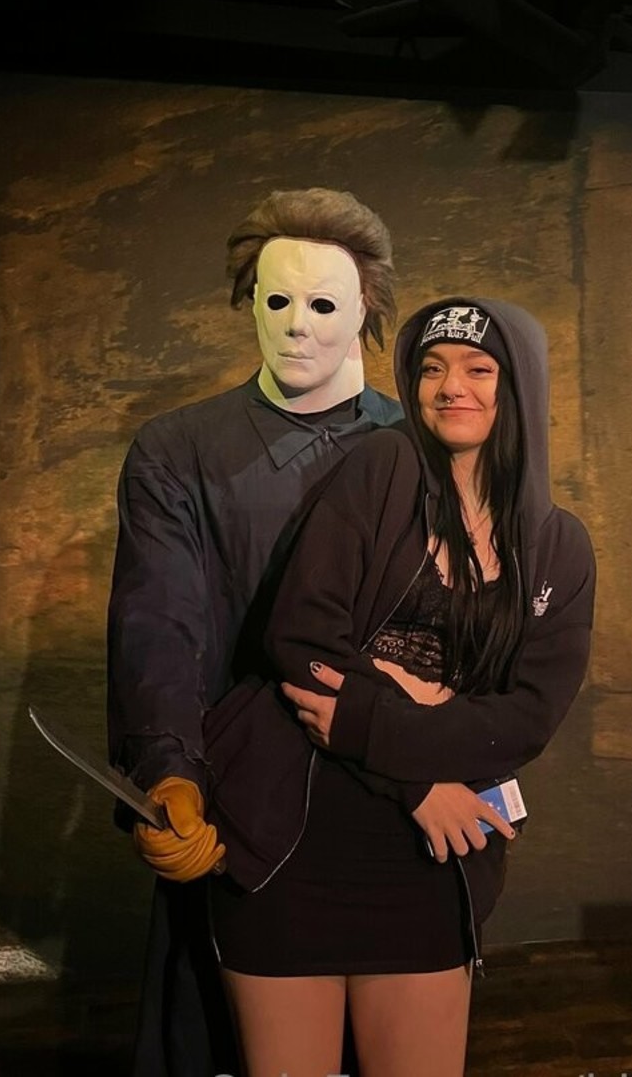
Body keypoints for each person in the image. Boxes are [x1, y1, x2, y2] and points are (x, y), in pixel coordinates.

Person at [199, 297, 596, 1077]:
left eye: (479, 369)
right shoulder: (381, 466)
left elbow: (524, 720)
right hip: (293, 839)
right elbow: (302, 643)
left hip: (430, 858)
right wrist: (417, 779)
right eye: (432, 368)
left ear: (520, 386)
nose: (452, 386)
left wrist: (368, 713)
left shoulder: (560, 546)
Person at [106, 186, 403, 1077]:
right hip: (238, 797)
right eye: (277, 299)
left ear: (366, 308)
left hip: (389, 789)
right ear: (249, 301)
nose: (297, 324)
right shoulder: (178, 450)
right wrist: (169, 771)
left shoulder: (420, 444)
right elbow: (160, 622)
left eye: (323, 304)